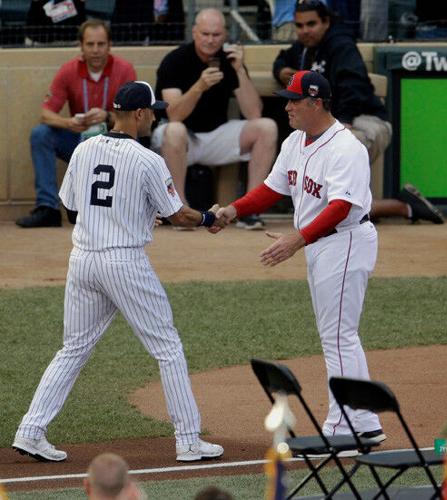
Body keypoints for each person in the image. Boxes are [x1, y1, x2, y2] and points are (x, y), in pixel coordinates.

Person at [12, 81, 225, 463]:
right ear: (140, 114)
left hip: (83, 260)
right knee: (168, 348)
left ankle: (30, 430)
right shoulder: (148, 160)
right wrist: (210, 216)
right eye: (153, 110)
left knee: (72, 349)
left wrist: (136, 213)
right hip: (123, 262)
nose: (155, 115)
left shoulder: (84, 147)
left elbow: (74, 207)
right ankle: (189, 440)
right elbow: (180, 216)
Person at [213, 70, 386, 443]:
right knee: (340, 336)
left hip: (346, 241)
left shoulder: (347, 147)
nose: (287, 106)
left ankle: (342, 427)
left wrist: (298, 239)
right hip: (320, 244)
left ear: (316, 102)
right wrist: (233, 210)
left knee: (339, 336)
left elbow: (341, 207)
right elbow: (272, 188)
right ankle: (365, 422)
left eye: (293, 100)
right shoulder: (296, 141)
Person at [273, 0, 444, 225]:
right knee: (326, 204)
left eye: (311, 24)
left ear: (325, 22)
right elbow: (282, 57)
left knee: (332, 204)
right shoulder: (304, 48)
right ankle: (407, 207)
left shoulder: (341, 44)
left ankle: (399, 207)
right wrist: (281, 70)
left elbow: (354, 87)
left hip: (365, 121)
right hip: (333, 124)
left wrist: (342, 123)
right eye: (300, 25)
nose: (305, 30)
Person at [152, 8, 278, 230]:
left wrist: (239, 71)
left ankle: (250, 210)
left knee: (267, 127)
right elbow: (174, 115)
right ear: (194, 32)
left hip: (215, 137)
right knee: (174, 130)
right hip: (179, 141)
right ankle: (181, 211)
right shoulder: (175, 60)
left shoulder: (229, 60)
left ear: (225, 35)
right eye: (205, 34)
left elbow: (254, 113)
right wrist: (199, 87)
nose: (210, 40)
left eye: (216, 35)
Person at [16, 19, 137, 228]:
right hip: (79, 141)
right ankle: (48, 208)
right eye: (90, 44)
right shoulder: (69, 70)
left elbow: (136, 115)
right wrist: (68, 122)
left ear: (110, 45)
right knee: (40, 134)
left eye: (101, 44)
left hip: (115, 144)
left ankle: (124, 212)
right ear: (80, 46)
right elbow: (45, 113)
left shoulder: (124, 70)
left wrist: (108, 117)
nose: (96, 50)